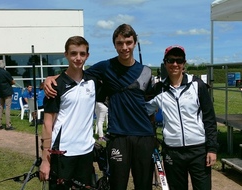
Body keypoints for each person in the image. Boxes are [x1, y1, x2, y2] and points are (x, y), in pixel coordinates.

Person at [44, 24, 155, 190]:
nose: (124, 47)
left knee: (144, 186)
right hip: (118, 137)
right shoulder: (105, 67)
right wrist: (50, 78)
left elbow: (151, 104)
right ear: (114, 44)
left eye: (128, 42)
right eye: (119, 43)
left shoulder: (146, 71)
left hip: (144, 136)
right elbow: (76, 72)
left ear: (134, 42)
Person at [146, 45, 218, 190]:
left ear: (184, 63)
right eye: (171, 60)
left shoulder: (197, 85)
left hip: (198, 151)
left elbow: (209, 118)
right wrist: (151, 134)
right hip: (173, 152)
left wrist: (212, 148)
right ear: (165, 62)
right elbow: (144, 111)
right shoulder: (158, 89)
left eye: (179, 61)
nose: (175, 64)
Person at [39, 36, 97, 189]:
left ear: (87, 56)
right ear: (66, 54)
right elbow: (47, 123)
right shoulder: (55, 86)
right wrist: (45, 160)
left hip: (86, 151)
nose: (78, 58)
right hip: (61, 152)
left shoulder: (93, 81)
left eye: (82, 54)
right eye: (73, 53)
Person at [0, 60, 15, 130]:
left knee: (0, 108)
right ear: (4, 65)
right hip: (7, 92)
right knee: (7, 108)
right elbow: (12, 81)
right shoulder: (5, 72)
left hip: (0, 92)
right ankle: (8, 125)